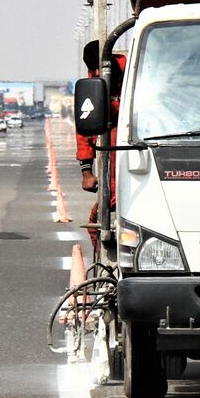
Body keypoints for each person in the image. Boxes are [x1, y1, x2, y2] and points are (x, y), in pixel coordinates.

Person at [76, 40, 125, 252]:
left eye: (98, 67)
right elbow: (84, 125)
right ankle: (106, 265)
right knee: (97, 221)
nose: (96, 72)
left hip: (139, 144)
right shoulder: (92, 84)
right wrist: (86, 171)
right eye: (92, 69)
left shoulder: (133, 69)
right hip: (112, 150)